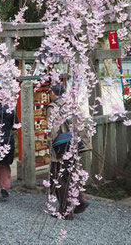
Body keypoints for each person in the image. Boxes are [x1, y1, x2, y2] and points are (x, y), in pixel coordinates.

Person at [47, 83, 91, 219]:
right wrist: (84, 142)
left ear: (53, 93)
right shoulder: (73, 105)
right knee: (71, 174)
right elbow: (82, 124)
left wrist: (50, 141)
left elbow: (53, 129)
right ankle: (80, 201)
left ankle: (65, 211)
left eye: (50, 92)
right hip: (73, 144)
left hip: (61, 146)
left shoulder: (53, 107)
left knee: (58, 177)